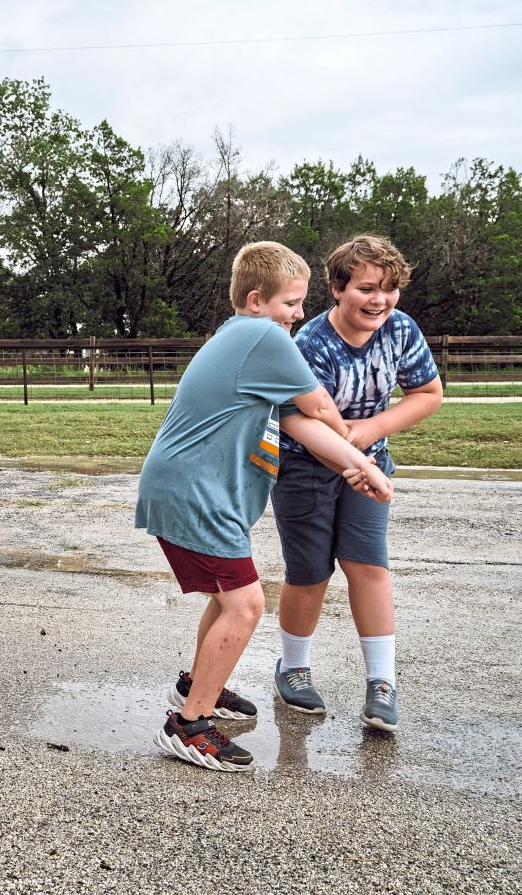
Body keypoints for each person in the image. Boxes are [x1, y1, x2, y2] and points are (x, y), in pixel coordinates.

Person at [136, 241, 393, 773]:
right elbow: (320, 408)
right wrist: (358, 452)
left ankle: (198, 685)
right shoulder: (261, 336)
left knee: (226, 595)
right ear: (256, 301)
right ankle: (189, 725)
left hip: (191, 489)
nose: (300, 314)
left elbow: (299, 423)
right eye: (291, 303)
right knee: (246, 604)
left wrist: (356, 465)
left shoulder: (240, 339)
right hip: (195, 492)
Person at [270, 234, 443, 733]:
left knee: (368, 563)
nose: (380, 300)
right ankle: (294, 667)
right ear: (337, 288)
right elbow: (308, 419)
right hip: (305, 466)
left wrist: (372, 432)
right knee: (310, 570)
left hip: (369, 461)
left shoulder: (402, 331)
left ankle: (382, 683)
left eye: (390, 289)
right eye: (367, 288)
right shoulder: (309, 344)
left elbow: (427, 393)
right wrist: (353, 453)